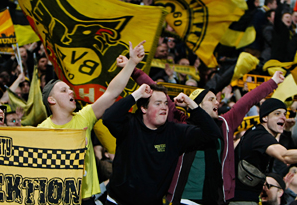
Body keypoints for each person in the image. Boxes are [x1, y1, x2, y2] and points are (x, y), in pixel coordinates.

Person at [117, 56, 285, 204]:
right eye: (211, 99)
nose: (217, 103)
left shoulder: (225, 123)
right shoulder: (180, 122)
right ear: (197, 103)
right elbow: (155, 89)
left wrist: (273, 82)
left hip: (215, 199)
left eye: (217, 99)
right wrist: (132, 68)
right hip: (182, 197)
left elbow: (248, 100)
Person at [38, 41, 146, 204]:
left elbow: (111, 93)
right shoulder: (41, 130)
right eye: (64, 90)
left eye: (70, 88)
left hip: (86, 198)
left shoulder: (83, 117)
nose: (71, 91)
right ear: (51, 100)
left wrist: (131, 63)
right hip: (58, 199)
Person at [103, 84, 221, 204]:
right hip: (117, 201)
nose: (164, 107)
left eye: (165, 103)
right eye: (158, 103)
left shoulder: (174, 132)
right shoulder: (129, 124)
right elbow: (108, 117)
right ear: (143, 108)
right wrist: (137, 95)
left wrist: (190, 104)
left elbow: (212, 133)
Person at [230, 97, 297, 205]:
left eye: (284, 114)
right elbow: (285, 156)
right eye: (277, 114)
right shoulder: (261, 136)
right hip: (241, 200)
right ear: (265, 117)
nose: (283, 117)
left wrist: (286, 132)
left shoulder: (255, 132)